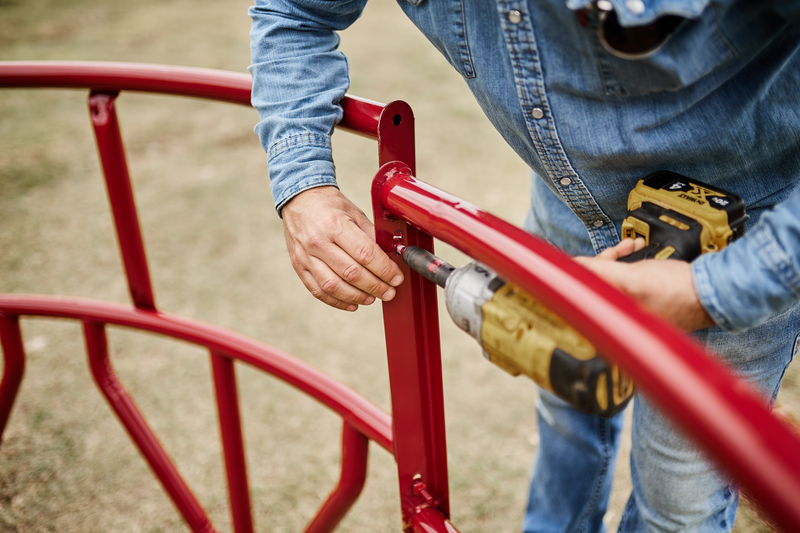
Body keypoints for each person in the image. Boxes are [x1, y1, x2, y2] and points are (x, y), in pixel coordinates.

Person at [248, 1, 800, 531]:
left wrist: (714, 288)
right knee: (567, 409)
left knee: (680, 501)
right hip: (568, 202)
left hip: (727, 236)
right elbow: (295, 10)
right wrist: (303, 185)